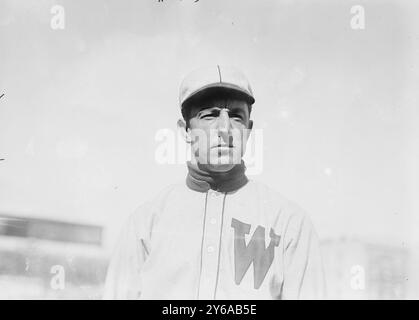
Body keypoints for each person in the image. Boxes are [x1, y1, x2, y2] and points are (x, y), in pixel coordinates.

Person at [103, 65, 326, 299]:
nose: (224, 128)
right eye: (209, 115)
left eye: (236, 116)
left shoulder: (288, 222)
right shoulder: (146, 222)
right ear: (185, 130)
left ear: (249, 130)